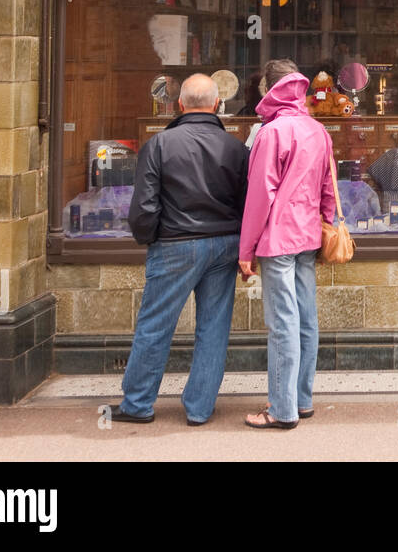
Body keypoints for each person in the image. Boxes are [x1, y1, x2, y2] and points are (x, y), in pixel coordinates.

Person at [113, 73, 248, 425]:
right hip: (225, 243)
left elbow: (143, 207)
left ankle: (138, 403)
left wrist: (148, 237)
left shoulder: (159, 144)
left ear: (180, 105)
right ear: (217, 105)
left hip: (175, 243)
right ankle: (200, 408)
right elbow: (248, 202)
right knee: (214, 328)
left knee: (156, 324)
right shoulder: (236, 148)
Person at [240, 58, 336, 430]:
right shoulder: (317, 129)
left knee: (282, 323)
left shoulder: (271, 132)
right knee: (306, 320)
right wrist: (325, 224)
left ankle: (281, 409)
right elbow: (329, 188)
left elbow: (260, 197)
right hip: (308, 236)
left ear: (270, 88)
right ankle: (302, 399)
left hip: (278, 239)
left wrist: (245, 250)